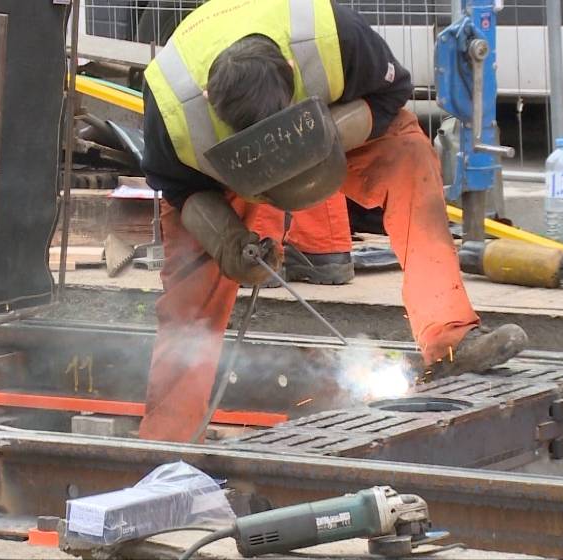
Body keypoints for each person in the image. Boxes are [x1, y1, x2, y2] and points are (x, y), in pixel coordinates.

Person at [140, 0, 528, 442]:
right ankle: (166, 446)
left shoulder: (332, 36)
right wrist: (227, 241)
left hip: (327, 130)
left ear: (290, 68)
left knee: (409, 156)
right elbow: (177, 186)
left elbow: (390, 95)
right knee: (190, 300)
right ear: (210, 100)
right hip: (224, 175)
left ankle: (450, 336)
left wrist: (323, 138)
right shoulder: (170, 103)